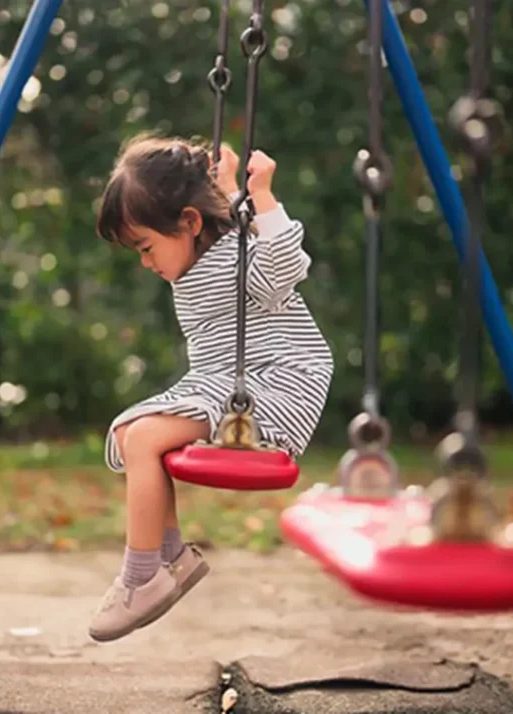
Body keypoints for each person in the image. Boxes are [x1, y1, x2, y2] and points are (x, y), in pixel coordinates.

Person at [87, 133, 334, 642]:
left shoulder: (241, 255)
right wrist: (230, 194)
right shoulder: (207, 250)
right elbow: (225, 228)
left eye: (146, 247)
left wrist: (261, 194)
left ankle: (140, 578)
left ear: (188, 223)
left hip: (278, 382)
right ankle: (168, 556)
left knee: (147, 438)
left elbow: (286, 264)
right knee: (130, 432)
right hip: (222, 384)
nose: (145, 262)